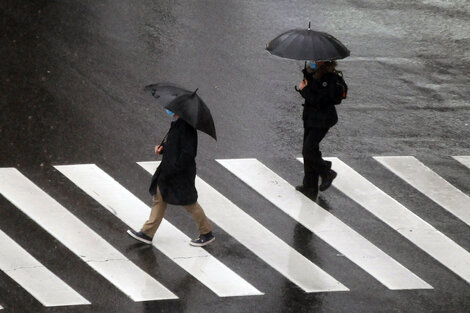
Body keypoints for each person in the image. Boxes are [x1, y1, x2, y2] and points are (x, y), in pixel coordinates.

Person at [127, 109, 215, 247]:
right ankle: (147, 233)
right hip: (167, 171)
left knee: (189, 202)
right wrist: (162, 149)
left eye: (171, 109)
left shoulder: (187, 128)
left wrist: (175, 168)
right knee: (159, 198)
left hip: (179, 174)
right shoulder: (177, 123)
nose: (168, 110)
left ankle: (206, 233)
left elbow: (188, 153)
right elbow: (175, 146)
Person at [295, 60, 341, 197]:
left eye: (316, 60)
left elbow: (318, 100)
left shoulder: (328, 79)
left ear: (325, 62)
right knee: (310, 150)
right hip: (310, 118)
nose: (313, 61)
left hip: (322, 120)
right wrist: (307, 74)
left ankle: (326, 172)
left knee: (308, 150)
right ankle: (310, 186)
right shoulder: (313, 73)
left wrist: (304, 89)